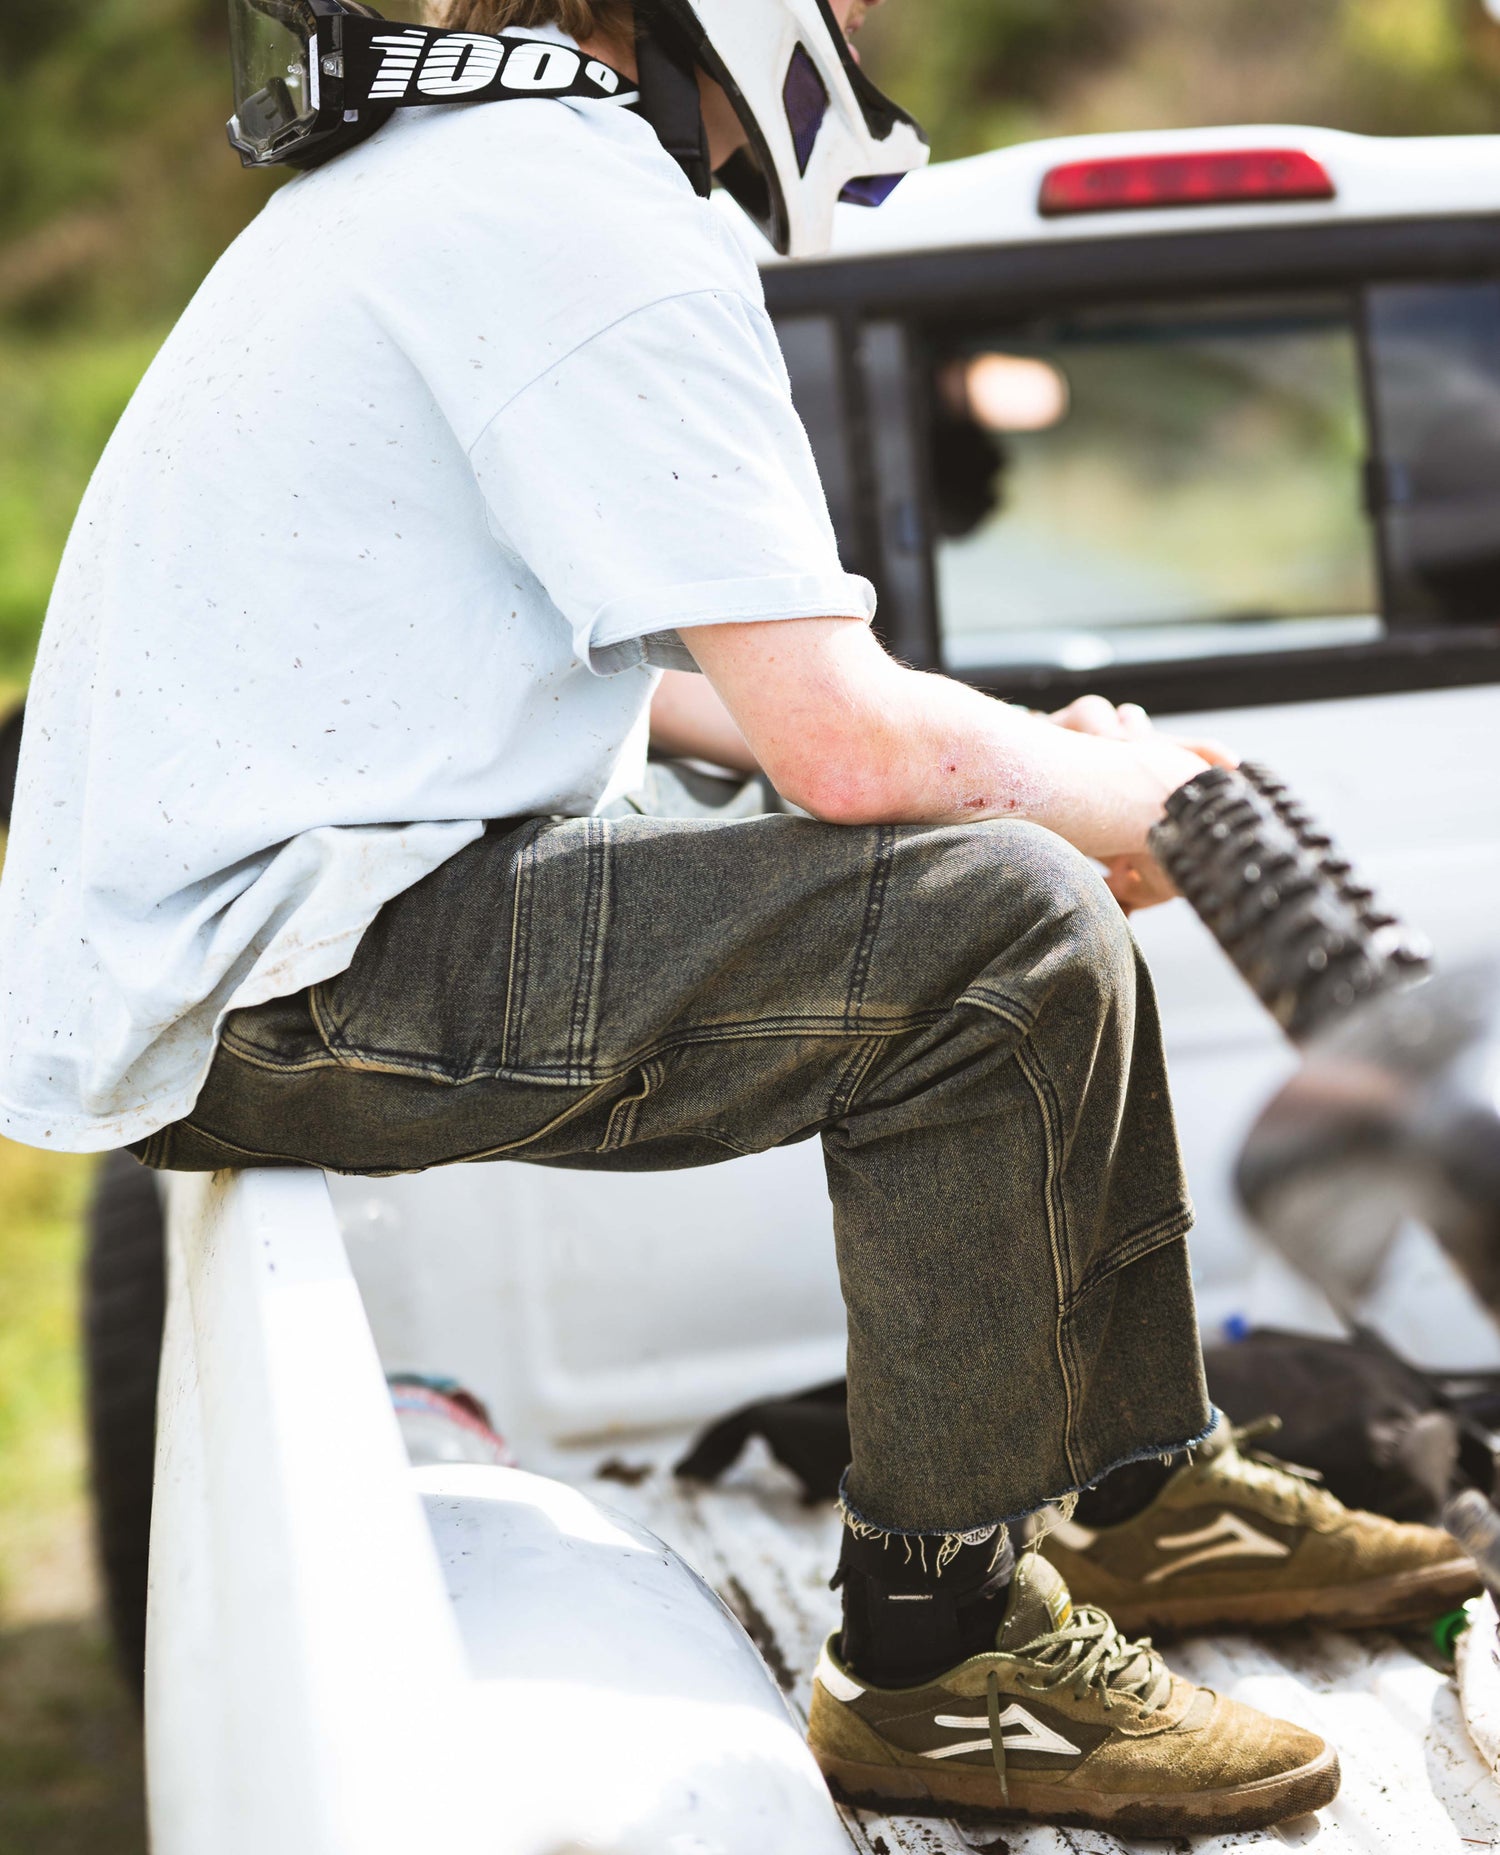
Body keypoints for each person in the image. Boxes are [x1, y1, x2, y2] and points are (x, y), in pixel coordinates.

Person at [0, 0, 1476, 1832]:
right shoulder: (578, 208)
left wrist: (1018, 762)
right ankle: (942, 1659)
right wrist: (1126, 797)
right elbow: (844, 745)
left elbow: (705, 683)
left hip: (268, 927)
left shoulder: (481, 177)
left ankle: (1136, 1489)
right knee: (997, 927)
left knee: (992, 882)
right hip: (276, 966)